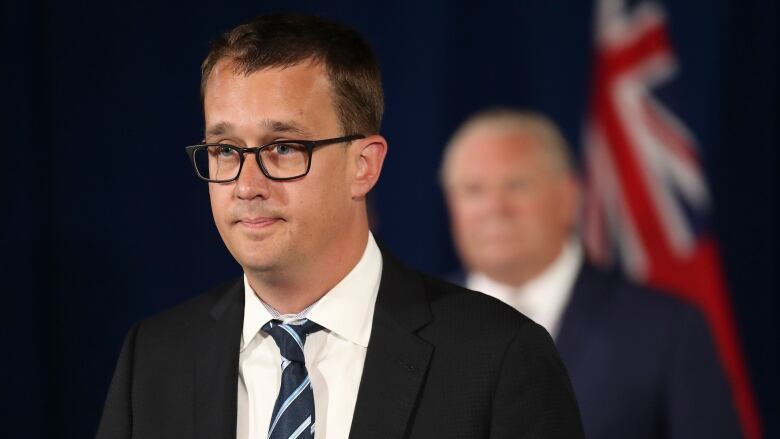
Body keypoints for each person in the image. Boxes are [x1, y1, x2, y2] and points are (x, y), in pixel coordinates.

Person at [96, 15, 583, 439]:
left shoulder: (497, 358)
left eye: (282, 148)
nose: (246, 185)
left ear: (364, 166)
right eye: (226, 151)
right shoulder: (156, 357)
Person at [440, 108, 743, 439]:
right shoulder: (403, 323)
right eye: (473, 190)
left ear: (569, 197)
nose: (495, 208)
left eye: (517, 185)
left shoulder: (667, 331)